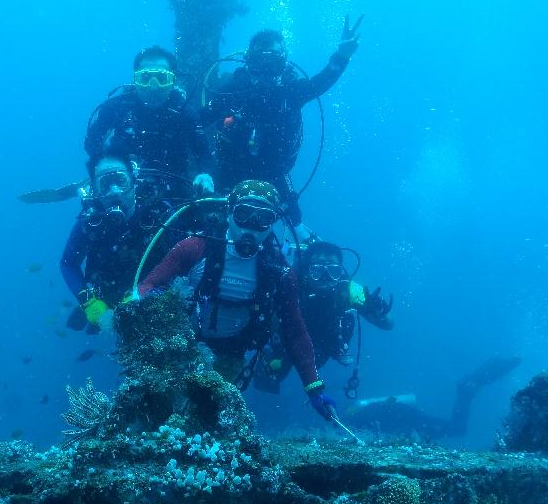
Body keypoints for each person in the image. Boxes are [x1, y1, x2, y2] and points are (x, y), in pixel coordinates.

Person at [136, 180, 335, 420]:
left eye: (263, 218)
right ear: (229, 213)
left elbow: (295, 330)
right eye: (243, 214)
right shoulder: (194, 248)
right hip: (180, 348)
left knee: (204, 418)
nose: (252, 226)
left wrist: (314, 387)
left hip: (230, 356)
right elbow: (146, 286)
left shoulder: (281, 273)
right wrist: (153, 302)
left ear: (272, 223)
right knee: (158, 412)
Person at [203, 16, 363, 224]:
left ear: (283, 64)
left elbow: (321, 82)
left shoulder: (291, 92)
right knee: (207, 209)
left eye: (274, 65)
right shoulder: (233, 91)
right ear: (249, 62)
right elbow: (197, 120)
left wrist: (341, 57)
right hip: (230, 166)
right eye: (260, 64)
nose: (267, 72)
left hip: (274, 170)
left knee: (293, 217)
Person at [256, 235, 394, 393]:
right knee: (265, 382)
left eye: (333, 271)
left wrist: (378, 310)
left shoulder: (349, 290)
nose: (325, 277)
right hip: (283, 348)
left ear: (340, 272)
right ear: (307, 270)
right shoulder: (291, 283)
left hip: (321, 352)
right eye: (317, 270)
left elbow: (389, 324)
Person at [85, 45, 214, 200]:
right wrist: (103, 168)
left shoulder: (184, 113)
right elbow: (91, 142)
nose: (153, 87)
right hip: (119, 188)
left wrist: (206, 176)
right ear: (135, 80)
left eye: (161, 79)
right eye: (145, 78)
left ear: (172, 82)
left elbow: (204, 155)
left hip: (173, 188)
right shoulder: (116, 107)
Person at [60, 156, 168, 333]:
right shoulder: (89, 223)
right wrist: (87, 300)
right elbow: (68, 263)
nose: (114, 191)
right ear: (95, 189)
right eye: (105, 184)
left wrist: (148, 293)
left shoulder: (158, 213)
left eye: (120, 181)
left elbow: (182, 262)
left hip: (155, 296)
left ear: (134, 181)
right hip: (106, 297)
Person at [345, 356, 522, 440]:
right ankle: (466, 391)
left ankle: (464, 392)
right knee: (457, 429)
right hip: (403, 414)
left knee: (457, 429)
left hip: (406, 418)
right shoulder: (357, 418)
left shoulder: (353, 425)